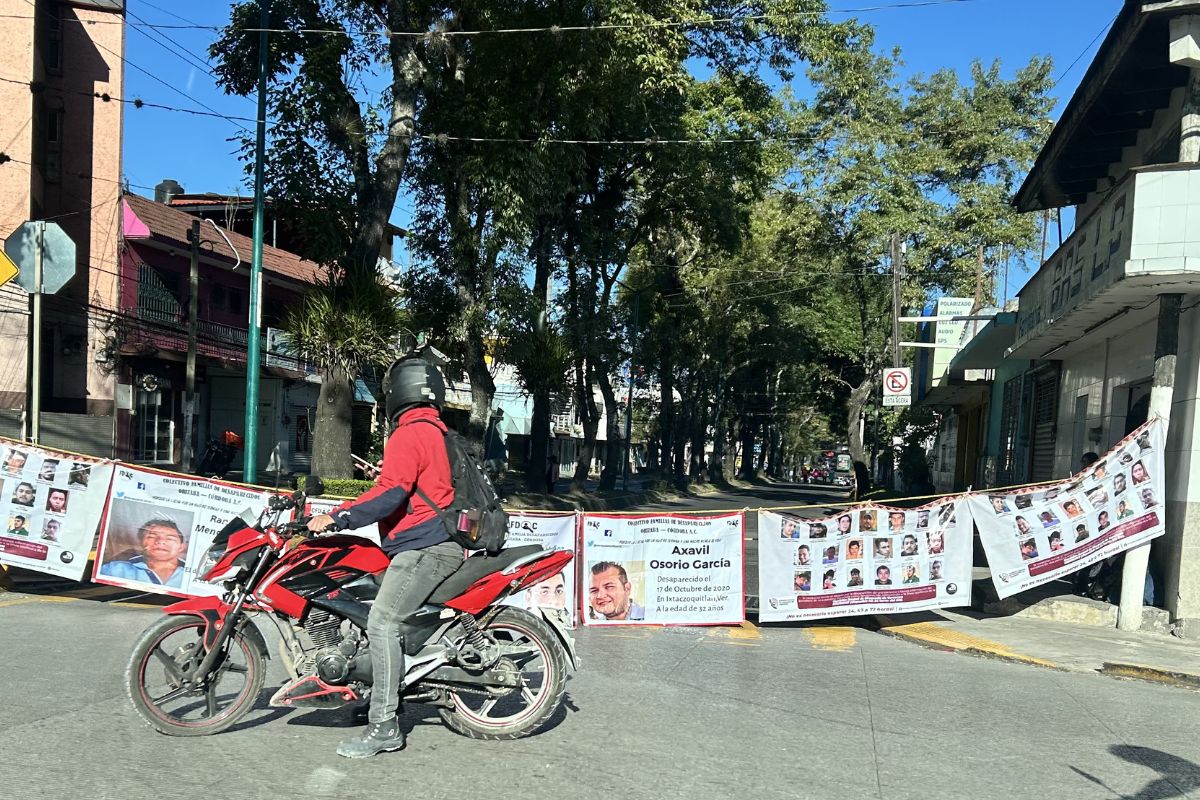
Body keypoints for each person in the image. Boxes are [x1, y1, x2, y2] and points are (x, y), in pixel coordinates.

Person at [305, 355, 463, 759]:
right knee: (374, 613)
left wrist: (338, 516)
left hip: (424, 548)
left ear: (398, 392)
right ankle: (378, 691)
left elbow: (391, 493)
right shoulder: (434, 430)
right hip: (431, 543)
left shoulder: (409, 432)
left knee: (382, 623)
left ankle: (384, 726)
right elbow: (406, 486)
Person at [100, 517, 188, 588]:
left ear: (181, 547)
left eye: (170, 538)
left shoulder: (191, 575)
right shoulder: (114, 570)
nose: (160, 541)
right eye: (151, 537)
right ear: (140, 543)